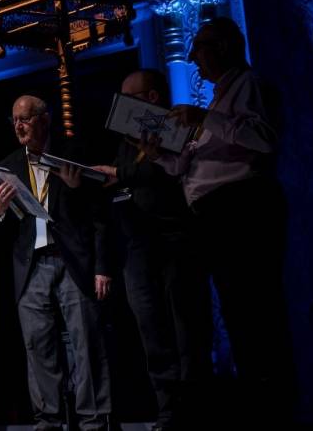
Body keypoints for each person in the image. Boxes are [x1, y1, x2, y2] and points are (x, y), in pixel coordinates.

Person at [148, 17, 293, 425]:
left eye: (200, 48)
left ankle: (273, 405)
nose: (193, 58)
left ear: (225, 48)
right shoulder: (213, 100)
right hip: (214, 215)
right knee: (235, 311)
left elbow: (263, 138)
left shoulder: (248, 85)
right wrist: (157, 152)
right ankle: (254, 401)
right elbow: (182, 168)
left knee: (256, 310)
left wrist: (203, 118)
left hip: (243, 208)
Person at [0, 94, 115, 430]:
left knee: (86, 342)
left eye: (25, 119)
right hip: (31, 266)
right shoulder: (9, 165)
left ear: (45, 119)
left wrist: (102, 267)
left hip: (74, 262)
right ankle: (49, 420)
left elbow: (99, 216)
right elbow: (6, 228)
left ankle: (93, 419)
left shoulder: (74, 155)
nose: (19, 126)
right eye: (14, 120)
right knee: (38, 347)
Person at [91, 70, 210, 430]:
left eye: (131, 96)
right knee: (152, 330)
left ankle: (196, 408)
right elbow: (127, 176)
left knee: (186, 326)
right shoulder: (127, 139)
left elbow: (170, 173)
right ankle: (168, 410)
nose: (124, 103)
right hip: (137, 244)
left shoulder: (176, 127)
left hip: (175, 236)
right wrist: (113, 173)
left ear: (153, 98)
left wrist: (124, 172)